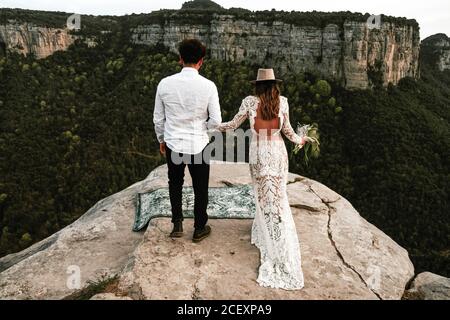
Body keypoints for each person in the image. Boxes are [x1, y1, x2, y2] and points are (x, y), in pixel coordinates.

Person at [217, 68, 312, 290]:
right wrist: (301, 140)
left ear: (257, 86)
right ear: (274, 85)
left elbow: (232, 125)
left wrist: (209, 125)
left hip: (258, 155)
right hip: (278, 155)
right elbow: (288, 131)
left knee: (262, 196)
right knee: (278, 197)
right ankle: (276, 232)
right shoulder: (283, 102)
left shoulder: (249, 102)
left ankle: (265, 229)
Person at [153, 39, 221, 243]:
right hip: (199, 144)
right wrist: (204, 132)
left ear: (180, 59)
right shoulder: (209, 86)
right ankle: (200, 227)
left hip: (173, 142)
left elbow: (158, 118)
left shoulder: (165, 83)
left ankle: (177, 224)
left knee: (175, 183)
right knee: (201, 187)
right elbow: (216, 120)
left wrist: (162, 139)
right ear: (201, 61)